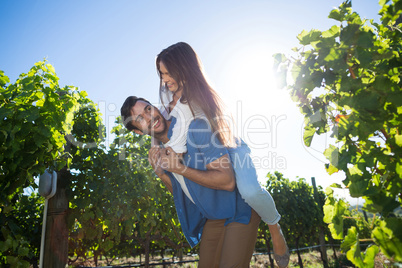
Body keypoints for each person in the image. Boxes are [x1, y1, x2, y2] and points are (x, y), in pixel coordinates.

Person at [154, 42, 289, 268]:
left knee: (250, 191)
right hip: (212, 153)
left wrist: (172, 157)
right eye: (161, 73)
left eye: (167, 72)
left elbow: (182, 136)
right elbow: (172, 132)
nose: (164, 79)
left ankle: (275, 228)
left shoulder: (196, 95)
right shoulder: (170, 100)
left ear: (183, 68)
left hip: (232, 149)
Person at [121, 96, 261, 267]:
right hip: (214, 217)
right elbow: (185, 195)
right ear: (137, 131)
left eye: (148, 109)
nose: (150, 117)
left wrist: (179, 169)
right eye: (140, 119)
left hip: (238, 208)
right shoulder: (164, 153)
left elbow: (227, 181)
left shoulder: (190, 126)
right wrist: (162, 174)